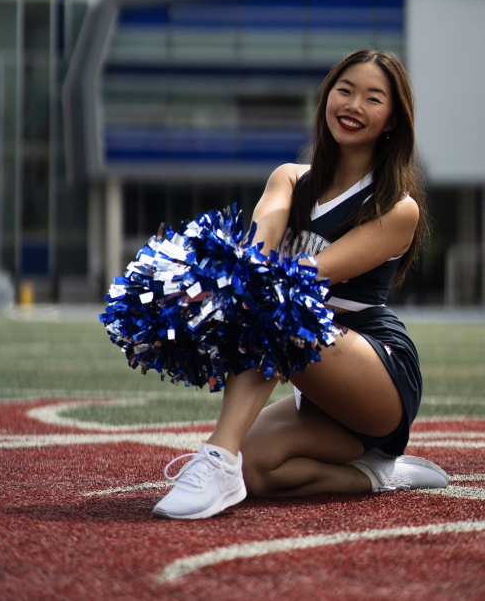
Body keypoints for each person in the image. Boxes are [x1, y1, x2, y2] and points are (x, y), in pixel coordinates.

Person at [153, 49, 448, 520]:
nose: (353, 105)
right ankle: (380, 475)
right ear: (327, 96)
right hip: (316, 391)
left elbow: (308, 276)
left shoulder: (398, 207)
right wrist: (203, 283)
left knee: (280, 300)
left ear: (392, 120)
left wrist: (248, 283)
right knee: (259, 472)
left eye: (373, 98)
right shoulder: (290, 180)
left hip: (376, 375)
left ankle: (217, 457)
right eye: (345, 90)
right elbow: (260, 246)